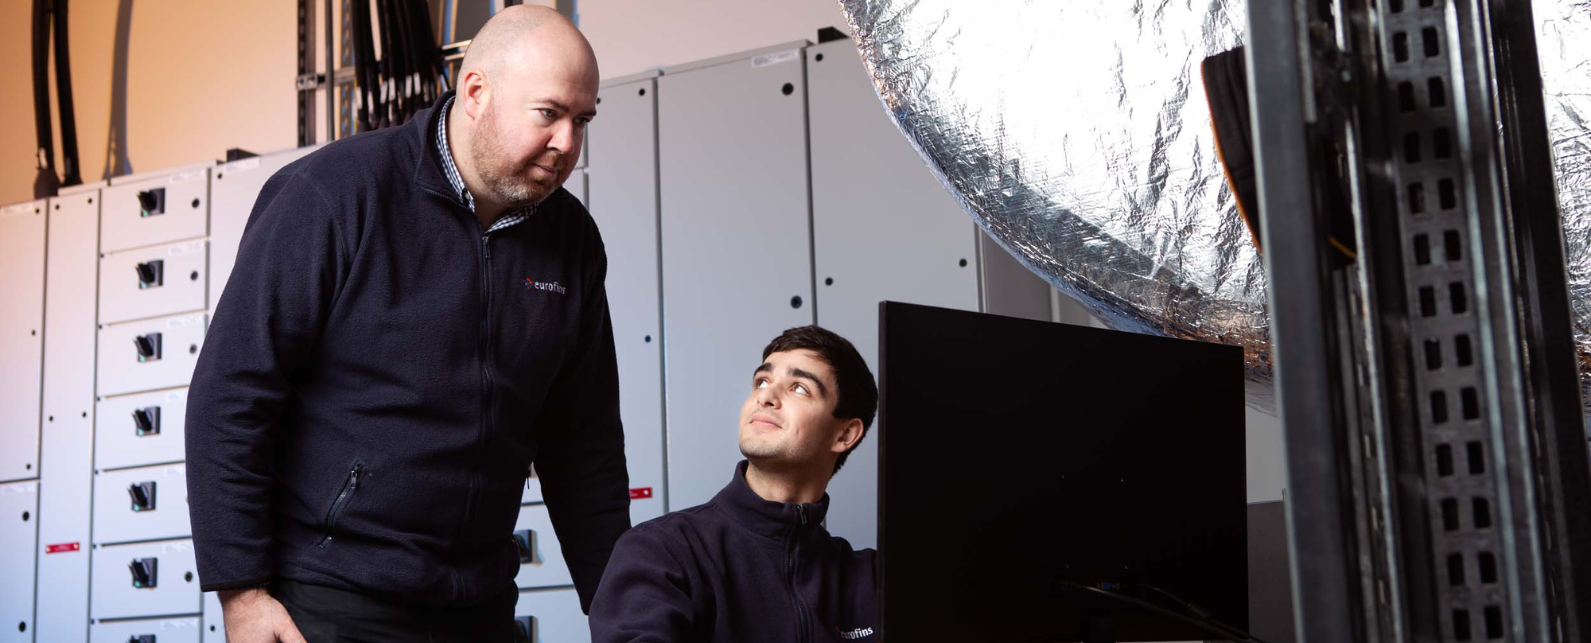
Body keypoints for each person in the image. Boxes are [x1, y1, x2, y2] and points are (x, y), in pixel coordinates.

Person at [184, 6, 628, 642]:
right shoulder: (336, 192)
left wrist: (622, 611)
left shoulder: (572, 241)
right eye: (549, 113)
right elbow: (232, 393)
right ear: (476, 92)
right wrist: (243, 592)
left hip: (477, 607)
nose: (568, 144)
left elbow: (582, 444)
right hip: (329, 601)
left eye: (582, 120)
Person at [589, 326, 880, 642]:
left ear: (845, 434)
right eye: (761, 382)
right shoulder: (660, 552)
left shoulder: (872, 580)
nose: (765, 396)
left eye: (799, 388)